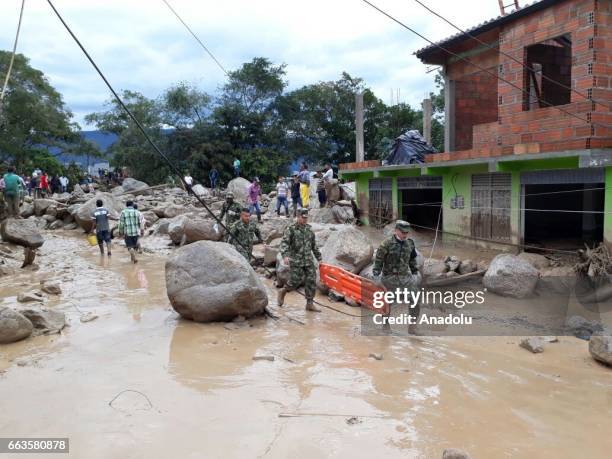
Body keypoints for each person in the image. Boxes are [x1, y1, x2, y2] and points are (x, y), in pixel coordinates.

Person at [372, 220, 421, 334]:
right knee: (387, 301)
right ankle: (385, 325)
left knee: (415, 298)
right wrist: (376, 276)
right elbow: (378, 261)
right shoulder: (386, 244)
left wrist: (415, 273)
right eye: (402, 232)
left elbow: (412, 260)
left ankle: (412, 326)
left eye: (406, 233)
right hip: (390, 277)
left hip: (405, 278)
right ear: (396, 231)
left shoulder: (410, 243)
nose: (405, 235)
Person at [277, 209, 322, 312]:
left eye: (306, 218)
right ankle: (283, 291)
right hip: (296, 260)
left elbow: (314, 246)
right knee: (294, 281)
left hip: (308, 260)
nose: (305, 220)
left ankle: (309, 304)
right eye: (303, 217)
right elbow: (284, 243)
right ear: (298, 217)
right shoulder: (291, 229)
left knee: (311, 281)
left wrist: (319, 258)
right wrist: (285, 255)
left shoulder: (309, 230)